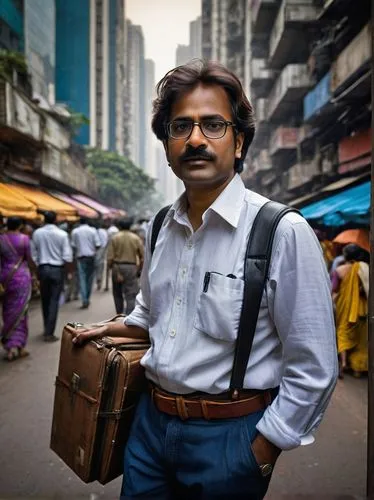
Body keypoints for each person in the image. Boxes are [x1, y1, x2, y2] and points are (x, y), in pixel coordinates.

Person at [72, 60, 338, 499]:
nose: (195, 139)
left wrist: (264, 447)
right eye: (181, 126)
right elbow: (153, 314)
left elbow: (314, 365)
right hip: (148, 431)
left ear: (239, 142)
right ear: (167, 145)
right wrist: (111, 327)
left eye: (213, 124)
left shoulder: (281, 231)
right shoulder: (159, 227)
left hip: (230, 440)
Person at [31, 211, 73, 342]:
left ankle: (46, 328)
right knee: (54, 301)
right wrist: (69, 272)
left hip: (43, 269)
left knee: (45, 299)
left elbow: (34, 254)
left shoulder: (37, 233)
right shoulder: (62, 234)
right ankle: (49, 332)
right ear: (56, 220)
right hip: (57, 270)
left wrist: (36, 269)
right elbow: (67, 256)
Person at [331, 243, 369, 378]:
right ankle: (358, 368)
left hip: (345, 307)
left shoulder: (340, 270)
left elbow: (334, 289)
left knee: (342, 333)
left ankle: (344, 362)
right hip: (362, 309)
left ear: (345, 255)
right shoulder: (364, 269)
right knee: (360, 338)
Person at [0, 216, 33, 361]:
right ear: (20, 225)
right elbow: (29, 259)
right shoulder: (25, 239)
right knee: (21, 312)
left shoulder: (1, 239)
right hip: (22, 279)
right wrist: (35, 274)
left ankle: (9, 346)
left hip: (5, 278)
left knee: (8, 310)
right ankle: (18, 345)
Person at [106, 218, 144, 315]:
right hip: (131, 268)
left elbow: (110, 257)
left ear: (119, 226)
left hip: (117, 267)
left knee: (117, 293)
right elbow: (143, 257)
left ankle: (119, 314)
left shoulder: (115, 238)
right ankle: (128, 316)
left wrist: (111, 268)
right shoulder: (135, 238)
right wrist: (139, 270)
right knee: (131, 294)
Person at [71, 217, 101, 309]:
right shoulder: (92, 231)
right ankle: (87, 298)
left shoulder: (75, 231)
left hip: (80, 258)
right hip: (91, 257)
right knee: (89, 279)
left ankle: (85, 300)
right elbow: (98, 244)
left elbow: (73, 245)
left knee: (82, 279)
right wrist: (93, 250)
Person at [94, 221, 109, 291]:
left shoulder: (96, 231)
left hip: (96, 251)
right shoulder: (105, 232)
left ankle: (98, 280)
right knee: (100, 267)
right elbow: (106, 242)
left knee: (97, 266)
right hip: (102, 250)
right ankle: (99, 280)